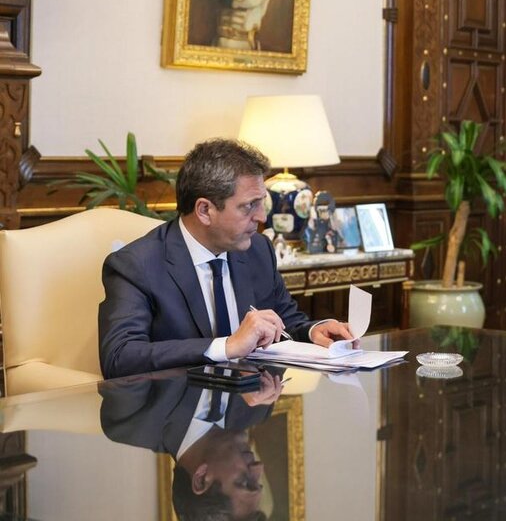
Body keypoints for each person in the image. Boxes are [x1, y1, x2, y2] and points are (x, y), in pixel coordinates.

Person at [99, 138, 354, 379]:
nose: (261, 217)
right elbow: (120, 357)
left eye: (261, 203)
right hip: (172, 416)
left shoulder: (258, 250)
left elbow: (286, 322)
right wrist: (227, 346)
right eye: (248, 206)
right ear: (205, 210)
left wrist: (313, 330)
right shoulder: (137, 265)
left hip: (245, 407)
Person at [100, 370, 283, 520]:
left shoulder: (131, 421)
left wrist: (226, 348)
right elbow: (284, 334)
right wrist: (311, 331)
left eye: (245, 481)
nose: (259, 468)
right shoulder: (256, 411)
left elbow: (127, 348)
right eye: (257, 482)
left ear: (201, 478)